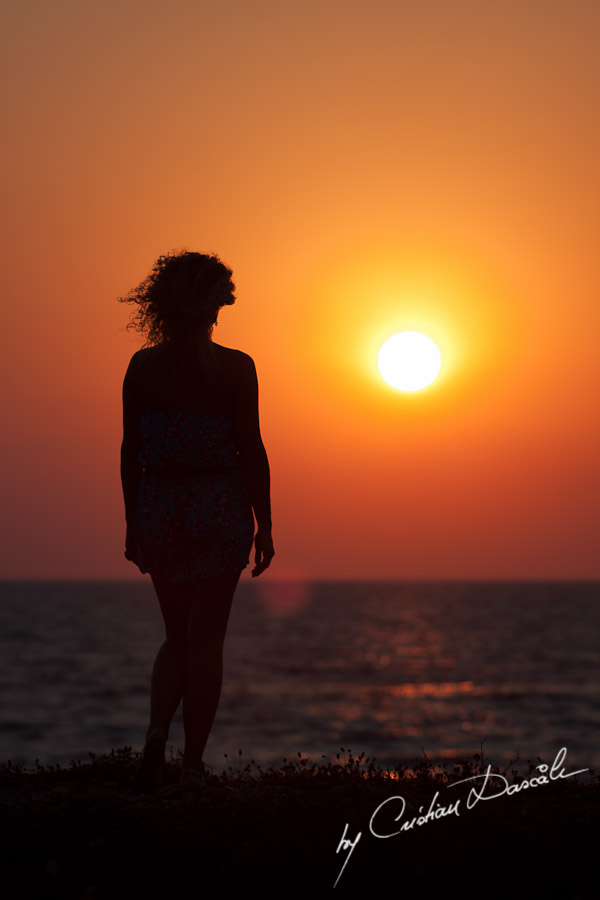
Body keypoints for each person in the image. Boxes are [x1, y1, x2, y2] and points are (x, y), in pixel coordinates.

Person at [119, 250, 274, 791]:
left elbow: (129, 453)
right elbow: (251, 450)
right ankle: (190, 766)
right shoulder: (235, 367)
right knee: (206, 642)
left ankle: (158, 731)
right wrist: (267, 524)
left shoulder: (143, 367)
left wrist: (133, 522)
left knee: (175, 637)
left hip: (160, 507)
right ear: (213, 307)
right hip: (218, 508)